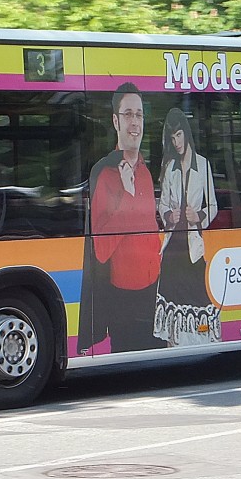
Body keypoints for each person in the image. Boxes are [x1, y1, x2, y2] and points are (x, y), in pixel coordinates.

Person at [78, 82, 165, 353]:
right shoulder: (105, 175)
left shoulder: (146, 173)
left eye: (139, 114)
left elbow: (150, 227)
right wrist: (126, 198)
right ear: (116, 121)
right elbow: (100, 250)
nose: (135, 122)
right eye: (128, 114)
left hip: (154, 291)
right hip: (125, 300)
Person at [155, 107, 221, 346]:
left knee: (197, 300)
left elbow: (213, 205)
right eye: (172, 137)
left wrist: (199, 215)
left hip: (193, 248)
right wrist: (168, 216)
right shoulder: (169, 167)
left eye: (179, 135)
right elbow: (162, 206)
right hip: (172, 248)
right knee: (171, 303)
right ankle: (174, 346)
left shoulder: (203, 165)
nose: (176, 141)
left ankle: (199, 343)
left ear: (187, 134)